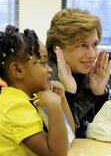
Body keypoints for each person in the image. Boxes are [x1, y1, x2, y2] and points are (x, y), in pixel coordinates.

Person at [0, 25, 74, 156]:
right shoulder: (14, 106)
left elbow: (68, 137)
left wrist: (62, 100)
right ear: (18, 70)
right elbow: (57, 153)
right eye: (43, 62)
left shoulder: (31, 97)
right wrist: (54, 105)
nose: (50, 69)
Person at [46, 8, 111, 138]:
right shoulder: (44, 79)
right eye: (82, 45)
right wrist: (68, 94)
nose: (92, 54)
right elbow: (65, 138)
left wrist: (100, 94)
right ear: (57, 47)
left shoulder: (92, 75)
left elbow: (107, 131)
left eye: (95, 44)